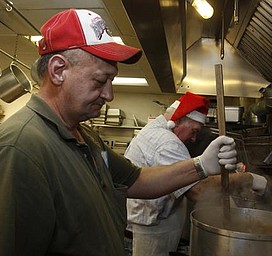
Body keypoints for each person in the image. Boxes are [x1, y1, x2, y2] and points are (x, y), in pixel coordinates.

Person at [0, 9, 238, 256]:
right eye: (100, 81)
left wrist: (200, 165)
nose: (109, 95)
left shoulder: (85, 136)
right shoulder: (21, 147)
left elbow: (136, 179)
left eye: (111, 81)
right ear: (58, 70)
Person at [125, 92, 268, 256]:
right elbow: (199, 191)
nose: (193, 139)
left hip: (149, 228)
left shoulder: (155, 131)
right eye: (194, 131)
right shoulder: (166, 142)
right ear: (178, 120)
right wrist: (249, 179)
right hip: (151, 235)